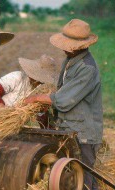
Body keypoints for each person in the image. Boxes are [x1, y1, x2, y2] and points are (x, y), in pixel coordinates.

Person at [24, 19, 102, 190]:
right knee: (72, 178)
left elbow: (64, 100)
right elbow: (62, 90)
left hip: (84, 134)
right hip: (69, 128)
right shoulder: (70, 61)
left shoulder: (86, 68)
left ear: (78, 46)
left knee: (85, 180)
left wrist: (37, 99)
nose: (63, 47)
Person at [0, 55, 58, 129]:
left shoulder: (40, 90)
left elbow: (43, 118)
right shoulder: (17, 77)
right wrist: (4, 112)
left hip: (10, 128)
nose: (39, 81)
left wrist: (42, 113)